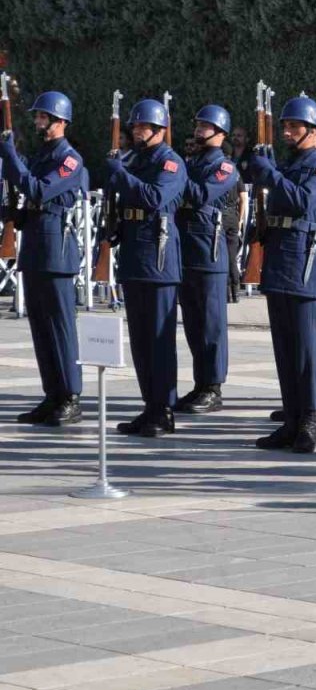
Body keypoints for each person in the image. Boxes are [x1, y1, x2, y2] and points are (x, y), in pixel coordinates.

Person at [250, 96, 316, 454]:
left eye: (294, 126)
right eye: (285, 126)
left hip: (305, 263)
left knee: (306, 348)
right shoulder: (287, 166)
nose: (286, 132)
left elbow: (303, 201)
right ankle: (290, 419)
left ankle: (309, 421)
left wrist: (271, 175)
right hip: (279, 260)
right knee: (284, 348)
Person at [0, 91, 88, 426]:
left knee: (61, 328)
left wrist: (11, 156)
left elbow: (38, 189)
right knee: (40, 328)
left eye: (43, 117)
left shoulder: (69, 159)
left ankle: (70, 396)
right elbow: (27, 199)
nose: (38, 121)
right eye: (37, 116)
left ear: (60, 121)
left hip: (57, 251)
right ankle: (52, 395)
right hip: (36, 248)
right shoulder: (42, 156)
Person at [109, 99, 186, 437]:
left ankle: (164, 410)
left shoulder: (170, 163)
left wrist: (121, 175)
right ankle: (149, 405)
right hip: (134, 254)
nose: (137, 131)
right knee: (140, 340)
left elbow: (154, 198)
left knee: (159, 339)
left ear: (159, 130)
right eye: (135, 126)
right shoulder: (135, 161)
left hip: (158, 257)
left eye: (143, 127)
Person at [174, 105, 238, 415]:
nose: (199, 130)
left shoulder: (224, 167)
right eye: (198, 125)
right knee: (194, 324)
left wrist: (175, 175)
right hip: (186, 249)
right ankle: (201, 384)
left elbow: (200, 195)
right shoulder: (191, 162)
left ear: (220, 133)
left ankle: (213, 387)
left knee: (211, 325)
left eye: (205, 126)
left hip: (209, 252)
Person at [224, 126, 250, 302]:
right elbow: (243, 198)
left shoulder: (219, 170)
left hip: (222, 216)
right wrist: (240, 219)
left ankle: (227, 292)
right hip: (233, 216)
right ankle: (235, 291)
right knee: (232, 257)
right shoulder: (235, 172)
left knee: (222, 256)